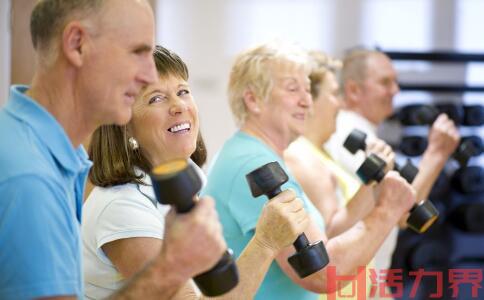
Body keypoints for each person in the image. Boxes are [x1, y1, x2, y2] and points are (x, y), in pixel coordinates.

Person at [0, 1, 224, 299]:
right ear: (77, 45)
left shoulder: (55, 155)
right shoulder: (28, 176)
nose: (147, 75)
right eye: (137, 52)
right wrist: (171, 266)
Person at [83, 45, 310, 299]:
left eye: (183, 92)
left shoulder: (190, 176)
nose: (179, 106)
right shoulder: (121, 206)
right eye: (156, 98)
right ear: (124, 126)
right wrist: (265, 243)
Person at [202, 41, 416, 300]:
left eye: (307, 90)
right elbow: (321, 272)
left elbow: (325, 240)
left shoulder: (259, 156)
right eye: (293, 89)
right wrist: (387, 211)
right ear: (253, 100)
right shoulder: (253, 164)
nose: (306, 101)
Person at [325, 49, 461, 275]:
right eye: (385, 82)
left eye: (395, 82)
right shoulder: (350, 134)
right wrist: (436, 154)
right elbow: (402, 211)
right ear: (353, 90)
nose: (395, 90)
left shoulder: (362, 134)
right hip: (353, 280)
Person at [284, 51, 400, 300]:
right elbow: (331, 239)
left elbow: (356, 230)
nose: (340, 103)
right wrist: (375, 178)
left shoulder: (324, 154)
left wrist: (376, 287)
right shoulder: (302, 156)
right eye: (334, 93)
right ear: (311, 101)